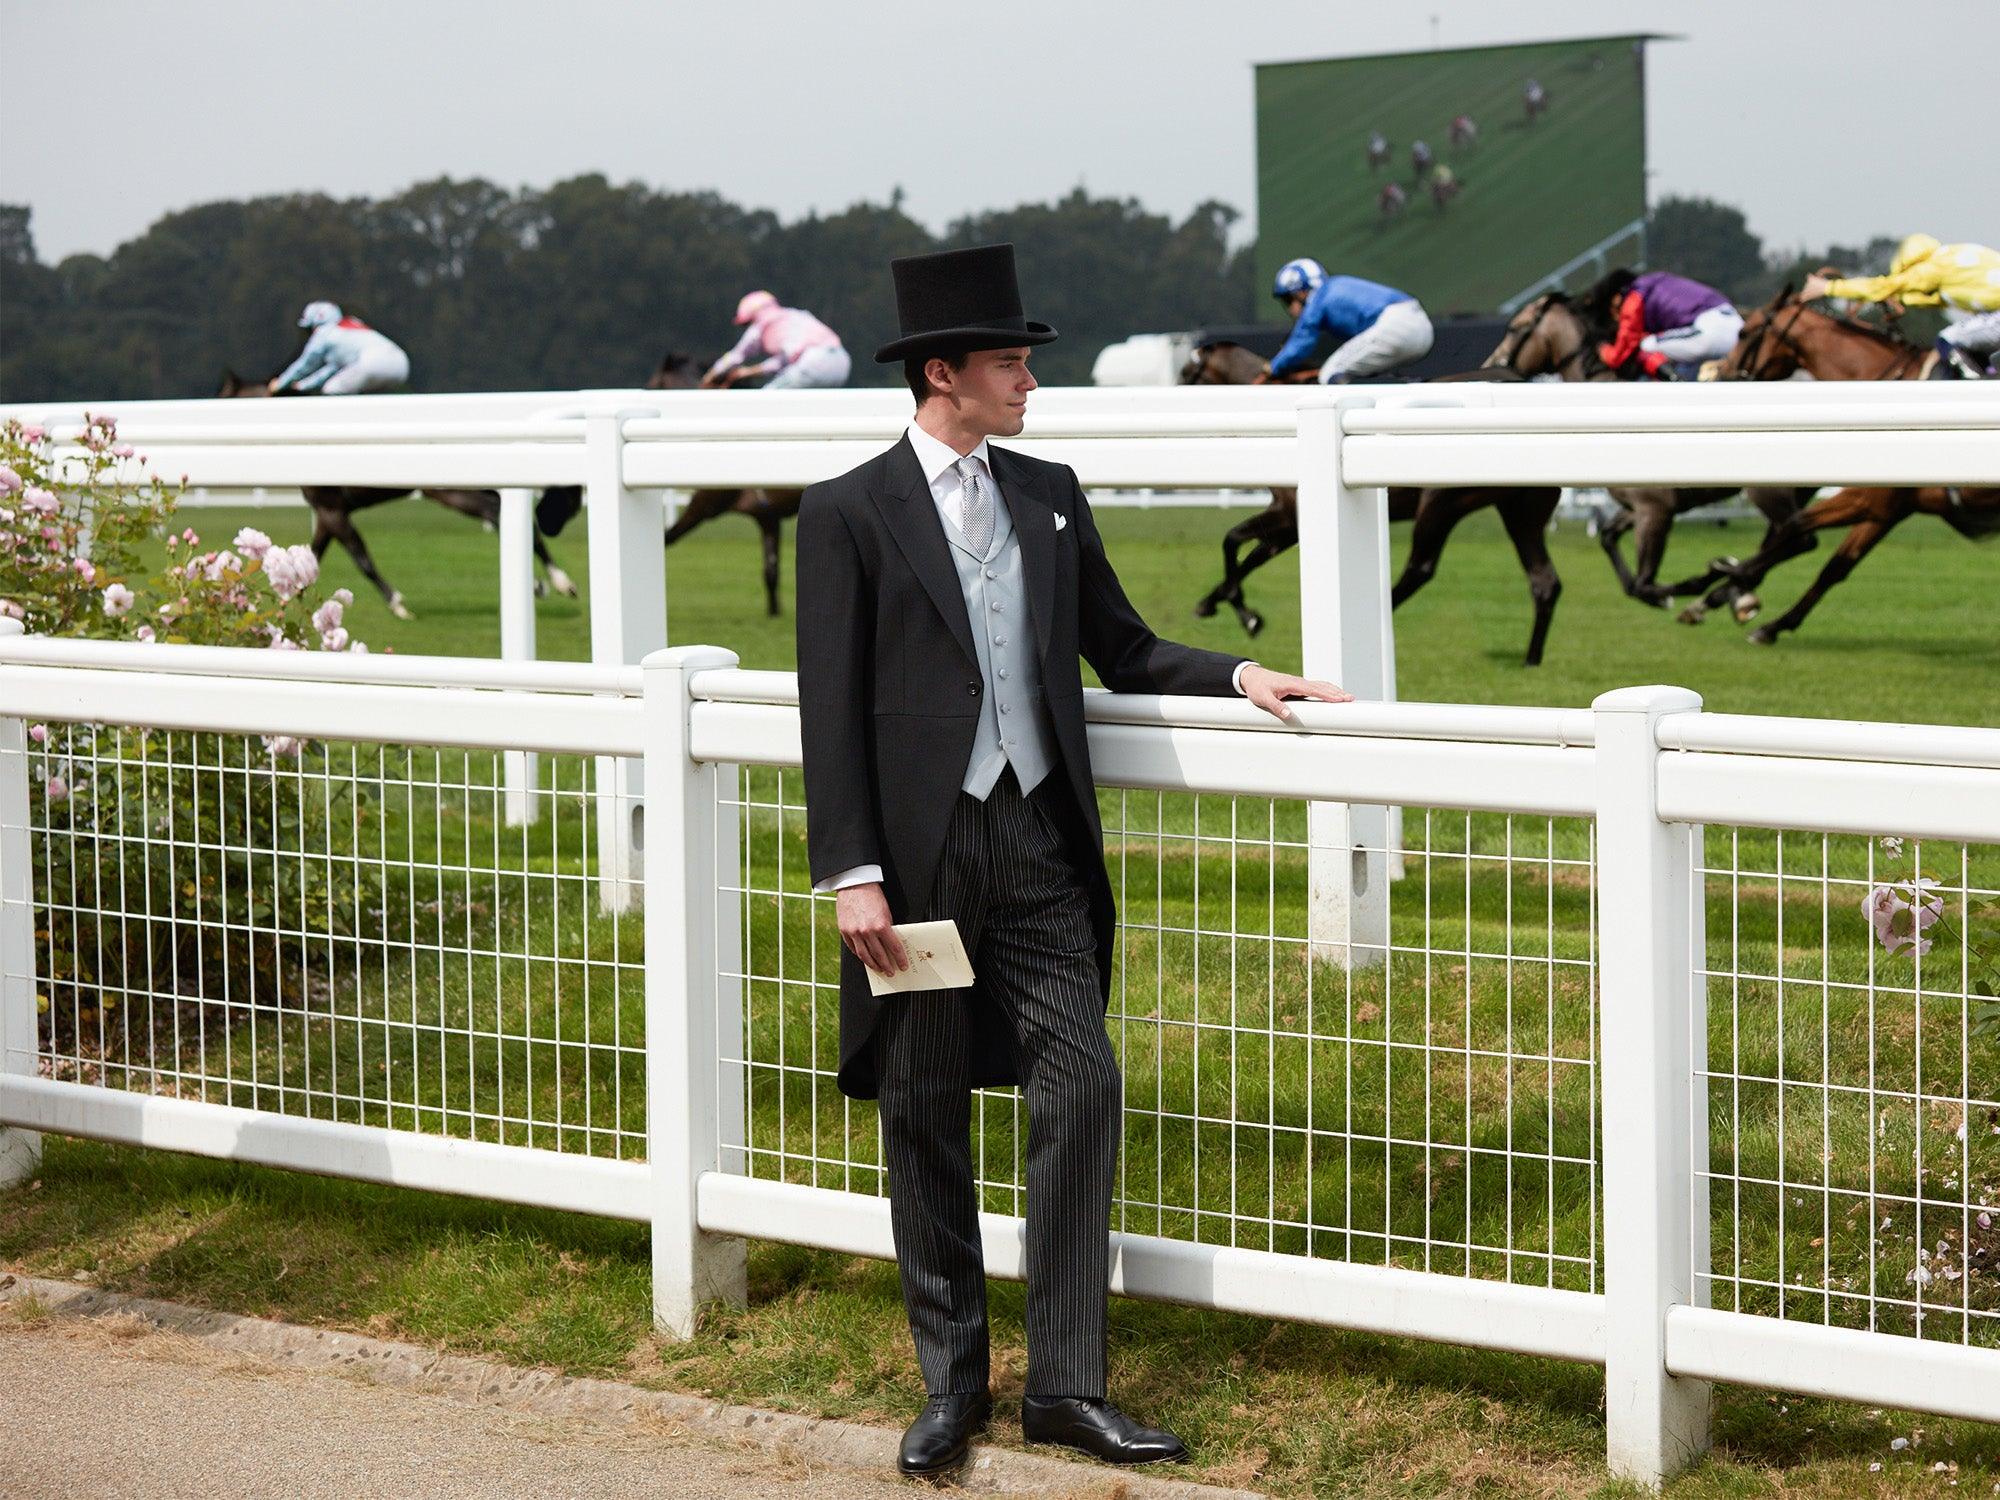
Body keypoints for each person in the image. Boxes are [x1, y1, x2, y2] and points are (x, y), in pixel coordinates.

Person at [794, 243, 1350, 1479]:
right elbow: (825, 710)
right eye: (1007, 361)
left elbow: (1122, 645)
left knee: (1082, 1083)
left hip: (1040, 840)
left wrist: (1242, 675)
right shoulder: (846, 510)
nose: (1027, 379)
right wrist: (854, 872)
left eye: (1025, 359)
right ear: (940, 375)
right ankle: (952, 1386)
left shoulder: (1047, 492)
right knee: (924, 1110)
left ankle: (1064, 1386)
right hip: (920, 863)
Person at [1802, 234, 2000, 379]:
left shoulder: (1929, 268)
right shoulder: (1947, 260)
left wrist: (1828, 287)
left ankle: (1975, 390)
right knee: (1968, 344)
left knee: (1946, 340)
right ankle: (1987, 375)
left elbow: (1883, 286)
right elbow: (1934, 299)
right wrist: (1900, 299)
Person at [1259, 257, 1435, 384]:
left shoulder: (1318, 298)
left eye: (1288, 300)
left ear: (1301, 292)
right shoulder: (1335, 285)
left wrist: (1272, 368)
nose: (1290, 309)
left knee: (1330, 372)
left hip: (1394, 326)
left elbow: (1301, 344)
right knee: (1366, 372)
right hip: (1421, 325)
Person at [1590, 268, 1744, 380]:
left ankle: (1675, 384)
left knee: (1646, 345)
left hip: (1710, 333)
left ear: (1616, 298)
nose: (1617, 318)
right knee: (1674, 351)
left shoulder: (1634, 297)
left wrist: (1602, 349)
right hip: (1737, 327)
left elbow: (1622, 353)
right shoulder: (1658, 282)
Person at [702, 290, 851, 389]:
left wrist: (711, 374)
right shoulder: (795, 315)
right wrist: (748, 372)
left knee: (767, 401)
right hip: (842, 363)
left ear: (753, 315)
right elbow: (785, 360)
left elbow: (736, 356)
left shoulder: (761, 325)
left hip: (813, 363)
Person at [267, 302, 409, 395]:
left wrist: (280, 383)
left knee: (332, 389)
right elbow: (332, 369)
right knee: (355, 388)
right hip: (401, 364)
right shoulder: (350, 325)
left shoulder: (325, 332)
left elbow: (305, 364)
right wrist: (301, 386)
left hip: (373, 362)